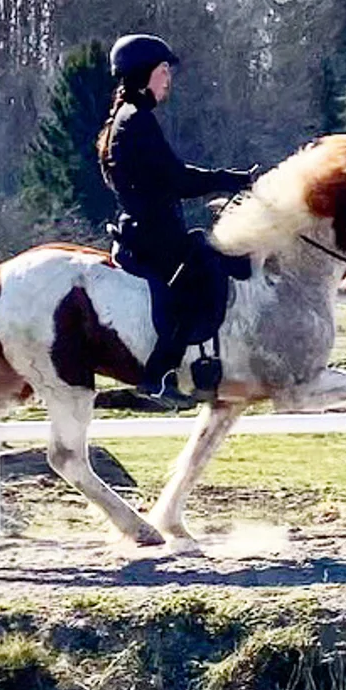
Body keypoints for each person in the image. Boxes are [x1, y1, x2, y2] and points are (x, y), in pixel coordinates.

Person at [96, 33, 253, 409]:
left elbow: (170, 175)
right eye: (164, 70)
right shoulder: (136, 121)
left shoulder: (130, 117)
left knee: (210, 255)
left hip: (152, 230)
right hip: (154, 236)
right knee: (203, 269)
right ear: (144, 73)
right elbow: (177, 179)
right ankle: (160, 374)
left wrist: (225, 179)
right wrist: (230, 179)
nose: (169, 79)